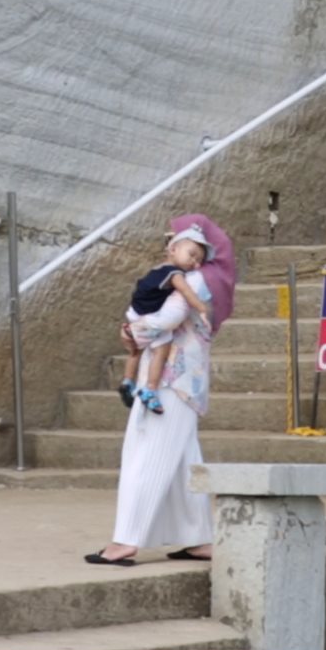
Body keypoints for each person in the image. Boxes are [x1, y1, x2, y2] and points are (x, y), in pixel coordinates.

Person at [88, 221, 226, 566]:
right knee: (183, 460)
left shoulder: (192, 280)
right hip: (186, 382)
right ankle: (198, 539)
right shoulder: (208, 279)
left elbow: (168, 319)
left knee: (145, 453)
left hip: (167, 380)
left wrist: (130, 332)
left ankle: (126, 541)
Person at [119, 232, 212, 415]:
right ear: (173, 249)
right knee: (161, 351)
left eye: (198, 261)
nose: (194, 263)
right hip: (149, 318)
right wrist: (202, 308)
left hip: (135, 313)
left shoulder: (157, 269)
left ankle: (127, 381)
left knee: (135, 351)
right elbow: (186, 292)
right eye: (192, 255)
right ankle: (150, 390)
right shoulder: (175, 274)